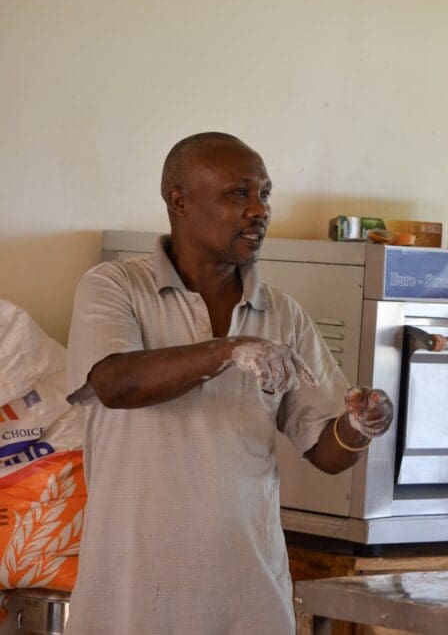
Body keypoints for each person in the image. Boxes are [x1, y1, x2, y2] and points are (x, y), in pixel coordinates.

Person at [64, 132, 393, 634]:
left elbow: (327, 454)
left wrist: (357, 425)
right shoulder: (114, 287)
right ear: (179, 201)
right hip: (130, 594)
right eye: (238, 194)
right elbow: (116, 383)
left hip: (249, 594)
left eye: (265, 194)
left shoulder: (282, 314)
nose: (258, 210)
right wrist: (229, 350)